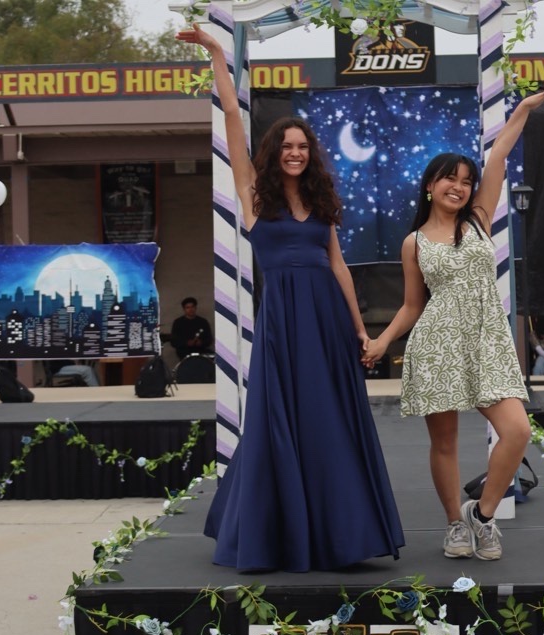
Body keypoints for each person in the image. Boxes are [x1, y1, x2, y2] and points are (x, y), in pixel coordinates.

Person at [176, 23, 403, 572]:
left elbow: (339, 268)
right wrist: (216, 55)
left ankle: (339, 534)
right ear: (274, 151)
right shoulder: (255, 194)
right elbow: (233, 118)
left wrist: (360, 329)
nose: (295, 153)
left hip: (326, 320)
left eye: (304, 147)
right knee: (279, 420)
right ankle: (279, 532)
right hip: (281, 322)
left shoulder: (322, 204)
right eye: (288, 146)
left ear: (311, 154)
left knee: (330, 420)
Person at [361, 80, 544, 561]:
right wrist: (383, 342)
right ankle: (454, 524)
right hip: (437, 345)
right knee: (443, 443)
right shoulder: (414, 243)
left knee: (517, 431)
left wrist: (524, 109)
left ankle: (482, 517)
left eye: (465, 181)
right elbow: (411, 305)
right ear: (430, 185)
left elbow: (500, 155)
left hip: (487, 341)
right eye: (450, 178)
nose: (460, 186)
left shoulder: (479, 220)